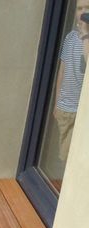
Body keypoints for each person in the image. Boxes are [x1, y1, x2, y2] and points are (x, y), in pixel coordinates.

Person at [54, 0, 89, 161]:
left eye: (87, 8)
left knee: (72, 157)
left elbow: (86, 64)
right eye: (79, 8)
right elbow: (62, 70)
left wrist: (85, 35)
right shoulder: (70, 37)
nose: (83, 12)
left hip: (80, 110)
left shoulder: (86, 39)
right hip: (64, 108)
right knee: (64, 155)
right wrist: (56, 102)